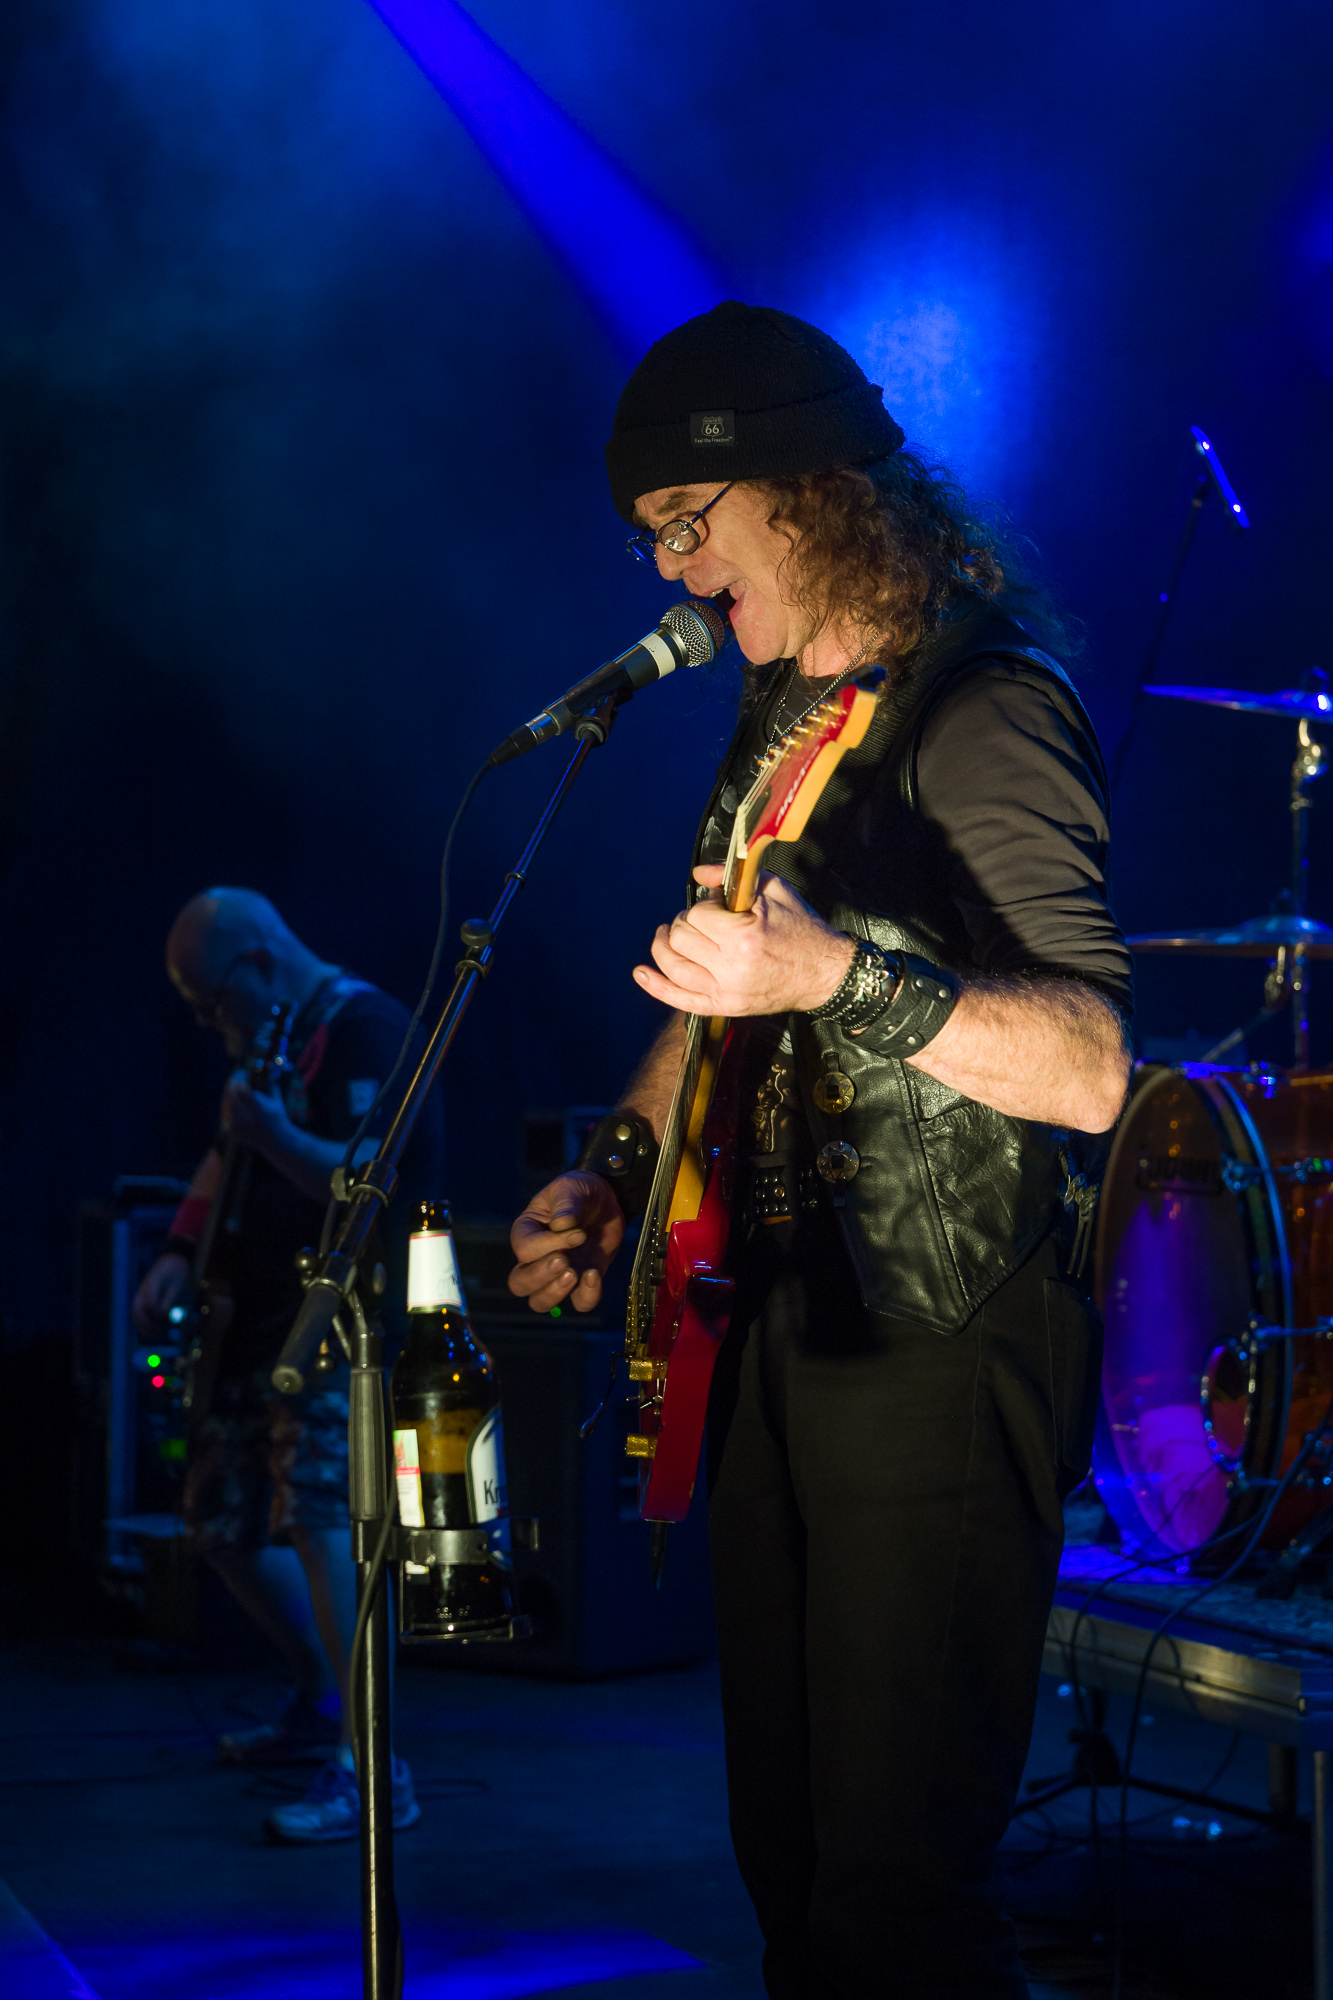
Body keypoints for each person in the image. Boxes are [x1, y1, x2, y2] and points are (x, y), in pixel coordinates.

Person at [507, 302, 1132, 1997]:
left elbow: (1089, 1067)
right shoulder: (783, 716)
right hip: (779, 1322)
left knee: (894, 1898)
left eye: (684, 523)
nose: (672, 571)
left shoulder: (984, 707)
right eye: (652, 538)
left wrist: (837, 977)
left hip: (938, 1337)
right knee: (788, 1875)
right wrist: (617, 1174)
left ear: (802, 487)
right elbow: (720, 1003)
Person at [134, 888, 444, 1845]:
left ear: (259, 960)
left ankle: (372, 1766)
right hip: (257, 1322)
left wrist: (271, 1133)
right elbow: (226, 1151)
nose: (209, 1020)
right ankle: (319, 1698)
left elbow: (368, 1183)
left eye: (211, 998)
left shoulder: (366, 1031)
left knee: (322, 1518)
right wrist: (180, 1246)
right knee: (218, 1517)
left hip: (341, 1324)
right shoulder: (274, 1031)